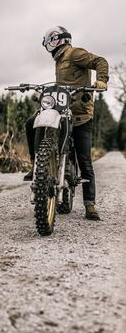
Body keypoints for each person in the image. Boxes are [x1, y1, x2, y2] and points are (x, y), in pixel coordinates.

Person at [24, 26, 109, 221]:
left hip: (80, 115)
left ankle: (90, 205)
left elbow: (100, 61)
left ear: (57, 40)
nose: (49, 47)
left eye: (50, 42)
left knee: (84, 159)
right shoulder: (60, 60)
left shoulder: (75, 53)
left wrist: (101, 80)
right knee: (31, 123)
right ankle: (37, 165)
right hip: (62, 113)